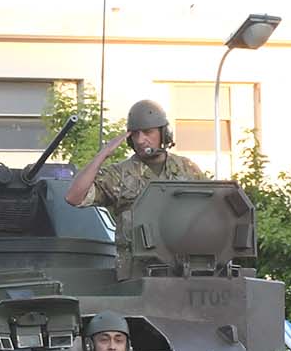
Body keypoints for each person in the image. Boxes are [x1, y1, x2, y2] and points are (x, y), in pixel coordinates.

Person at [65, 99, 210, 273]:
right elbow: (74, 197)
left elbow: (211, 211)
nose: (141, 140)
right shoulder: (119, 174)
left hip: (183, 271)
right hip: (136, 274)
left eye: (148, 132)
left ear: (164, 133)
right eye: (135, 134)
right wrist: (103, 154)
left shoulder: (186, 169)